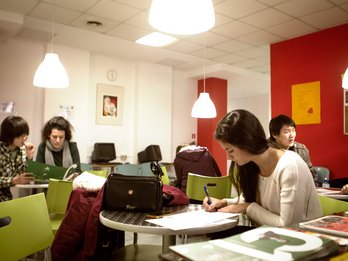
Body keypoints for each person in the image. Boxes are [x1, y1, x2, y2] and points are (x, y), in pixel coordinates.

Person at [203, 109, 322, 228]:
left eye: (230, 150)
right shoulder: (252, 165)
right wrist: (224, 202)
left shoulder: (290, 166)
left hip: (303, 239)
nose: (228, 157)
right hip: (271, 237)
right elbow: (249, 199)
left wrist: (247, 208)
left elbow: (288, 226)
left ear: (247, 142)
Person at [268, 114, 317, 182]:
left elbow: (310, 174)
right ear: (274, 134)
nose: (292, 135)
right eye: (286, 132)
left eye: (293, 131)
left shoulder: (301, 149)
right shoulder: (265, 150)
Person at [0, 115, 36, 201]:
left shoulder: (20, 150)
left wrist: (30, 157)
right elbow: (15, 179)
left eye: (25, 136)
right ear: (9, 135)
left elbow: (24, 176)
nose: (23, 139)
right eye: (20, 136)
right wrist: (13, 181)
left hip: (6, 199)